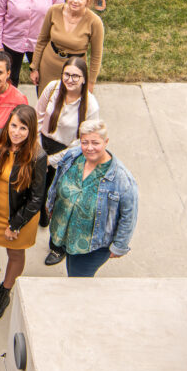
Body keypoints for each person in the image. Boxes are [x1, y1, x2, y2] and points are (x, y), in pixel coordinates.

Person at [0, 104, 46, 321]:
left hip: (21, 216)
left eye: (23, 128)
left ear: (31, 131)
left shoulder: (37, 156)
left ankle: (5, 291)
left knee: (15, 254)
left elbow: (36, 198)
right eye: (13, 126)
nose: (16, 132)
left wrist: (15, 225)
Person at [45, 118, 137, 276]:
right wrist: (50, 204)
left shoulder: (121, 179)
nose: (89, 148)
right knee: (71, 271)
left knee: (78, 280)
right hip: (64, 232)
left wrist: (119, 246)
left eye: (95, 143)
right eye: (85, 142)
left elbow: (129, 215)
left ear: (106, 142)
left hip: (91, 247)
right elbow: (57, 180)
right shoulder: (73, 156)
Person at [31, 0, 104, 94]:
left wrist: (91, 82)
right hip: (48, 67)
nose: (75, 1)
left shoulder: (94, 22)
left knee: (70, 103)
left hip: (74, 73)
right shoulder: (54, 11)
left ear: (87, 0)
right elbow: (42, 40)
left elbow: (96, 55)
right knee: (46, 101)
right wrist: (34, 67)